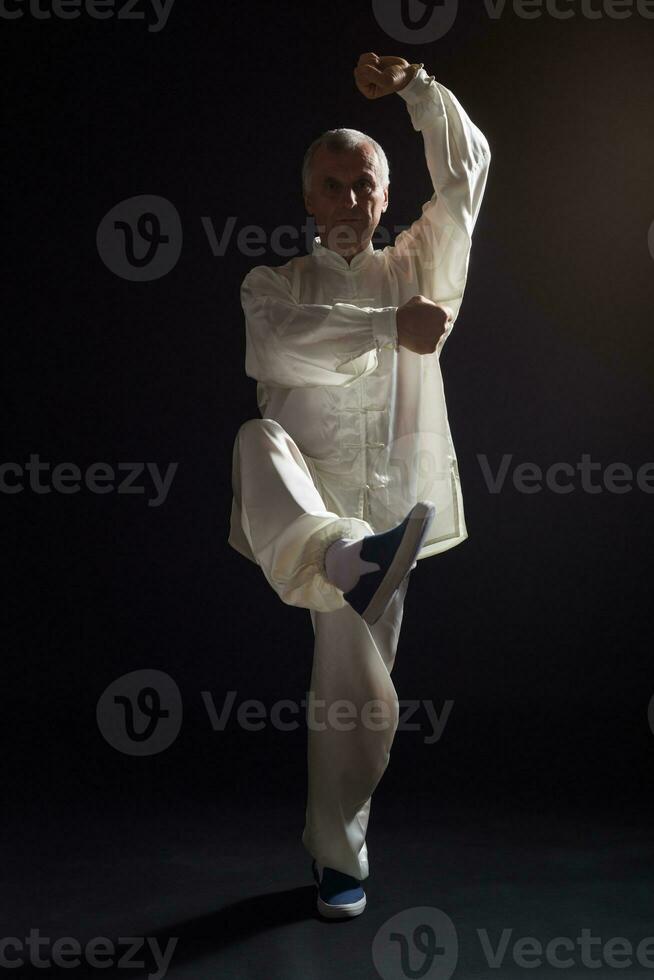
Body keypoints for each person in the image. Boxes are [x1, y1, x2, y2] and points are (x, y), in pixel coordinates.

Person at [228, 52, 490, 919]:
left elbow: (468, 174)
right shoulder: (275, 286)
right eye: (332, 186)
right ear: (309, 199)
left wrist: (418, 91)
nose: (348, 200)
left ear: (383, 197)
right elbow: (283, 346)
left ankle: (339, 859)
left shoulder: (419, 265)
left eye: (363, 185)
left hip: (393, 519)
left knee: (351, 678)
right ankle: (338, 554)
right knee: (255, 436)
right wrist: (389, 327)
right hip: (306, 507)